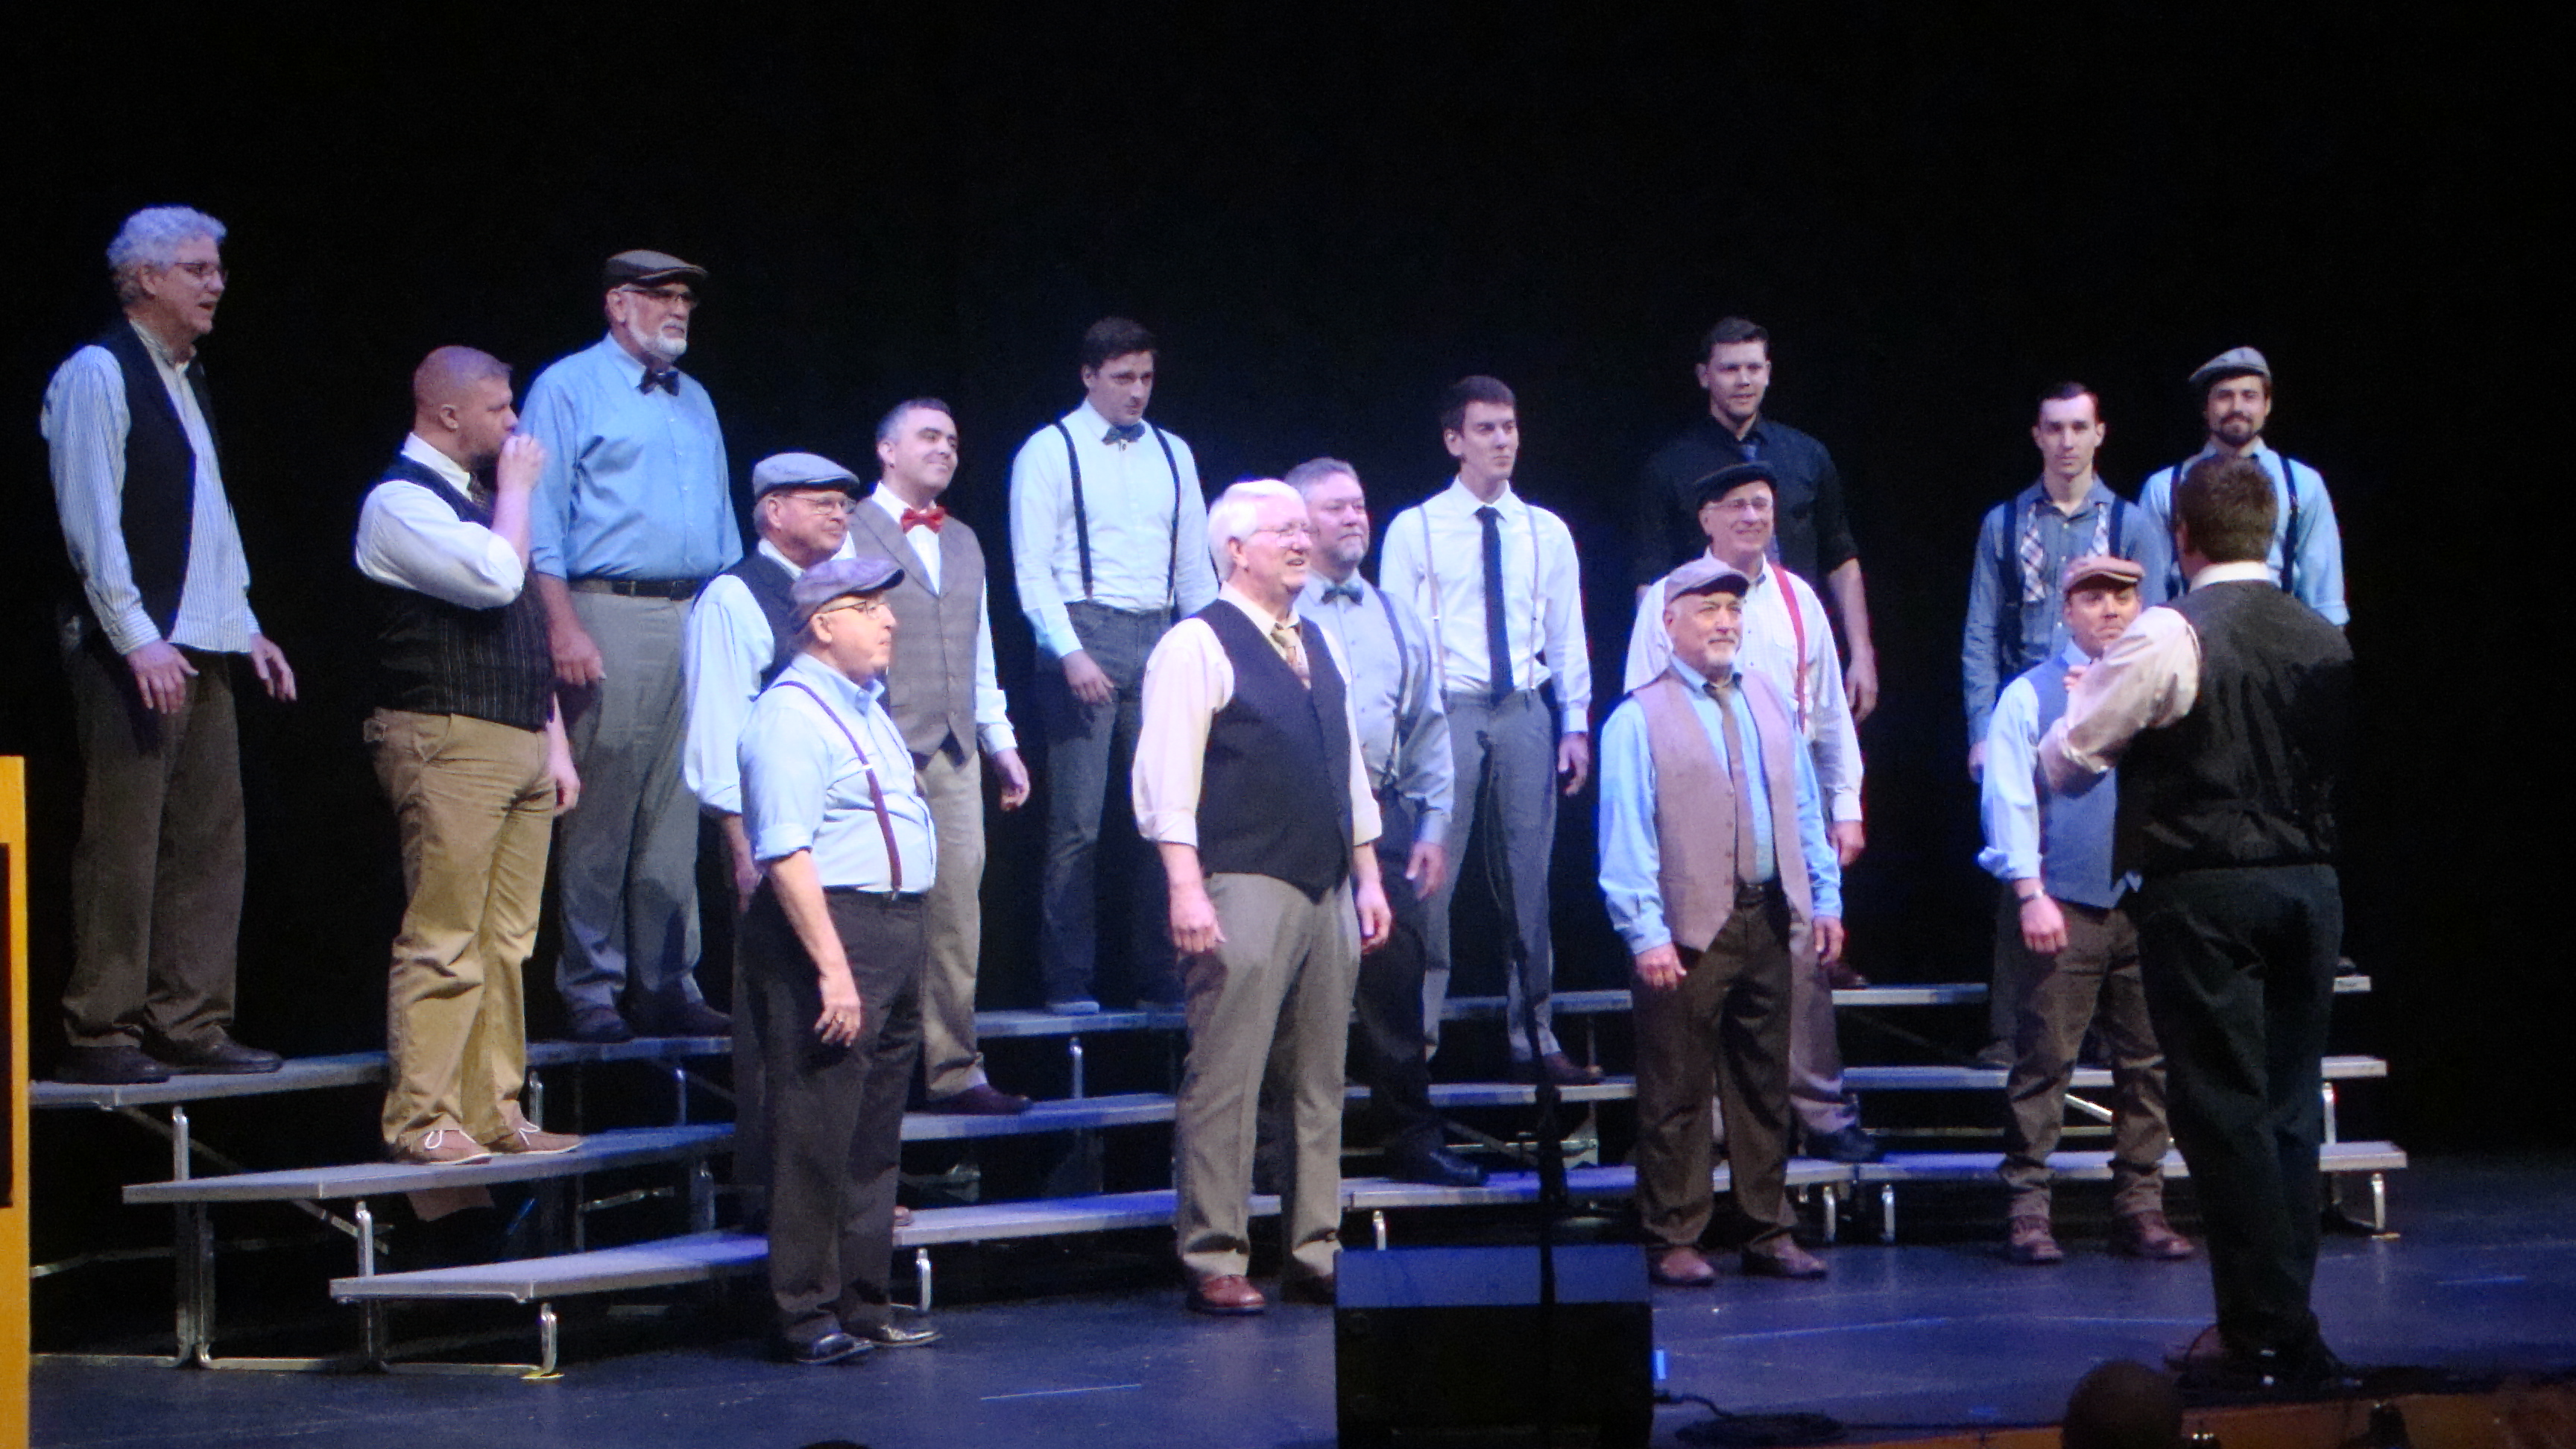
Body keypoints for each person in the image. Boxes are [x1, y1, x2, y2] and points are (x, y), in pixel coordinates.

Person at [2042, 456, 2355, 1392]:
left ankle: (2263, 1333)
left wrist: (2081, 703)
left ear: (2182, 538)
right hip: (2310, 884)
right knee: (2289, 1107)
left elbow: (2069, 760)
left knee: (2225, 1110)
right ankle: (2288, 1326)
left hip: (2208, 886)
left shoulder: (2170, 631)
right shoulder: (2323, 636)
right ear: (2273, 533)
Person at [42, 205, 294, 1085]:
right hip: (135, 649)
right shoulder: (99, 373)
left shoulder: (187, 377)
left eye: (217, 268)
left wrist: (244, 624)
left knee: (210, 840)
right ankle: (101, 1029)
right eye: (197, 268)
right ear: (145, 278)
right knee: (125, 841)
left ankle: (190, 1019)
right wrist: (135, 637)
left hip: (201, 641)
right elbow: (91, 522)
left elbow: (207, 518)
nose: (216, 283)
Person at [1134, 480, 1392, 1315]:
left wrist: (1368, 876)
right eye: (1284, 530)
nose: (1302, 541)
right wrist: (1185, 886)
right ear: (1236, 550)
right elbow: (1167, 781)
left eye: (1304, 528)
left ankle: (1315, 1249)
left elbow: (1347, 769)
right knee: (1229, 1075)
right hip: (1242, 880)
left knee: (1319, 1079)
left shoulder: (1317, 640)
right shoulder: (1197, 644)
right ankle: (1215, 1253)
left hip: (1325, 884)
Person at [354, 347, 584, 1164]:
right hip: (448, 737)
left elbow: (524, 629)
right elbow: (493, 580)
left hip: (519, 737)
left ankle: (495, 1109)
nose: (515, 424)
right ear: (448, 415)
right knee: (446, 934)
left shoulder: (487, 501)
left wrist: (555, 743)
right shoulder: (398, 502)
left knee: (508, 941)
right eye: (499, 408)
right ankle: (424, 1117)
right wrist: (518, 492)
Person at [1623, 461, 1877, 1162]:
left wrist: (1845, 803)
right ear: (1706, 518)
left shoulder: (1798, 599)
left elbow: (1828, 712)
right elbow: (1643, 708)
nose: (1751, 516)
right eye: (1735, 505)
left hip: (1783, 803)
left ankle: (1820, 1109)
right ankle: (1709, 1129)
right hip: (1699, 803)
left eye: (1762, 504)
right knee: (1706, 971)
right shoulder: (1669, 600)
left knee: (1801, 963)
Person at [1598, 558, 1841, 1285]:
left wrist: (1823, 896)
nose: (1725, 622)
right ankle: (1675, 1233)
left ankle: (1768, 1228)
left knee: (1764, 1084)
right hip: (1686, 929)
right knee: (1676, 1088)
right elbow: (1626, 834)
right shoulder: (1638, 716)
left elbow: (1803, 807)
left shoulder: (1767, 699)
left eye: (1733, 610)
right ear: (1670, 622)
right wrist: (1644, 931)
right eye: (1708, 610)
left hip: (1766, 914)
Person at [524, 248, 741, 1044]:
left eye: (685, 297)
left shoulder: (695, 398)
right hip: (607, 607)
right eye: (660, 296)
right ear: (618, 305)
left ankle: (670, 980)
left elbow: (720, 522)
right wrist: (562, 624)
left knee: (679, 804)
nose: (678, 309)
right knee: (602, 803)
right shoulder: (567, 387)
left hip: (693, 608)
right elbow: (540, 520)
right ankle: (591, 985)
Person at [736, 554, 942, 1364]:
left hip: (895, 927)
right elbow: (786, 852)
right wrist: (832, 967)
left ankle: (863, 1298)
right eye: (868, 607)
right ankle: (803, 1309)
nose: (889, 619)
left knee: (874, 1129)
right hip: (834, 928)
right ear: (823, 624)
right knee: (816, 1124)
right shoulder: (790, 715)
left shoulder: (865, 707)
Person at [1378, 376, 1595, 1084]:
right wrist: (1403, 730)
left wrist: (1575, 722)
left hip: (1524, 706)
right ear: (1454, 440)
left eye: (1510, 427)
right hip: (1447, 710)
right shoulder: (1416, 527)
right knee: (1430, 881)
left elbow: (1566, 632)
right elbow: (1397, 635)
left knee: (1529, 880)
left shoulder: (1545, 530)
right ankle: (1416, 1039)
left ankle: (1534, 1032)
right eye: (1486, 429)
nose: (1503, 441)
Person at [1979, 555, 2191, 1265]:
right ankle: (2027, 1210)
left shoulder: (2160, 694)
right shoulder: (2029, 695)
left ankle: (2140, 1205)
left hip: (2142, 898)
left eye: (2123, 599)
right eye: (2094, 598)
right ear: (2066, 611)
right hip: (2065, 900)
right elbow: (2009, 798)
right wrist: (2029, 892)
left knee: (2147, 1062)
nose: (2111, 611)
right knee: (2045, 1060)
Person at [1008, 317, 1218, 1014]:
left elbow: (1193, 568)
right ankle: (1068, 977)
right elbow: (1033, 567)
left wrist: (1211, 648)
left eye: (1147, 378)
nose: (1137, 392)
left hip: (1160, 632)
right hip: (1084, 627)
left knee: (1164, 814)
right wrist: (1068, 651)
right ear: (1089, 376)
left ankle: (1161, 974)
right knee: (1079, 823)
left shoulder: (1174, 452)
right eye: (1123, 378)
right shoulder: (1050, 450)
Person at [1287, 458, 1482, 1187]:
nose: (1354, 518)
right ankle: (1281, 1156)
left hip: (1384, 810)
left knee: (1396, 988)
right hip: (1297, 815)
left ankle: (1411, 1138)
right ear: (1299, 524)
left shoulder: (1397, 615)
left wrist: (1432, 826)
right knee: (1291, 988)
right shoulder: (1275, 611)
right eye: (1336, 507)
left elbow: (1428, 727)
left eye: (1359, 505)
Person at [1963, 383, 2171, 1062]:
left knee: (2107, 852)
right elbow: (1981, 630)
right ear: (2037, 436)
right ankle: (2014, 1030)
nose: (2067, 441)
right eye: (2054, 428)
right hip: (2032, 698)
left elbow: (2157, 620)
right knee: (2022, 850)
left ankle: (2114, 1027)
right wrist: (1981, 728)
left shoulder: (2130, 521)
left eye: (2079, 427)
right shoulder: (2005, 522)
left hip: (2114, 699)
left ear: (2099, 433)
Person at [684, 450, 866, 1221]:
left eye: (844, 503)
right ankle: (776, 1193)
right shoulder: (736, 596)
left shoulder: (846, 597)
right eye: (820, 501)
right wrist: (741, 848)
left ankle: (840, 1191)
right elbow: (718, 734)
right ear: (772, 512)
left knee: (838, 1020)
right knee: (779, 1018)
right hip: (774, 840)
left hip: (845, 841)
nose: (838, 513)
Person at [847, 399, 1032, 1114]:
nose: (946, 449)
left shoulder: (963, 540)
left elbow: (979, 649)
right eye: (929, 436)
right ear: (886, 449)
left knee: (956, 910)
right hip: (878, 745)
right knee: (876, 910)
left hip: (953, 751)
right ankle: (871, 1074)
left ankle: (955, 1069)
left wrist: (1000, 743)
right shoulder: (851, 529)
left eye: (953, 440)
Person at [1634, 317, 1880, 720]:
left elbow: (1840, 556)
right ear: (1704, 376)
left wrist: (1862, 654)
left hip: (1794, 645)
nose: (1743, 380)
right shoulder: (1670, 468)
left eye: (1753, 368)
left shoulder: (1807, 456)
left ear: (1768, 372)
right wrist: (1659, 669)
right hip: (1708, 660)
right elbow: (1652, 577)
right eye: (1730, 369)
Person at [2136, 347, 2346, 626]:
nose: (2237, 407)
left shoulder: (2303, 484)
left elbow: (2325, 600)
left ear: (2267, 405)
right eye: (2224, 396)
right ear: (2205, 408)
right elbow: (2149, 600)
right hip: (2192, 641)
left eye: (2250, 396)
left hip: (2279, 640)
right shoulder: (2166, 487)